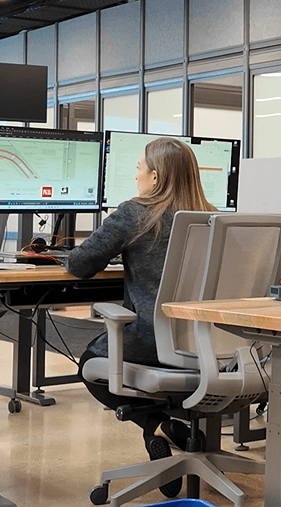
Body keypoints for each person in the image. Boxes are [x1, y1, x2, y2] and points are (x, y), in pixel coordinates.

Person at [66, 136, 216, 457]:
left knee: (90, 365)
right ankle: (170, 426)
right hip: (210, 347)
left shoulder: (135, 213)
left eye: (139, 169)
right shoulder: (216, 219)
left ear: (155, 177)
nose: (136, 177)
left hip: (154, 344)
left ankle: (155, 425)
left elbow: (80, 264)